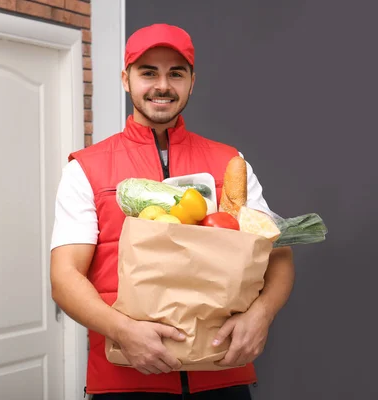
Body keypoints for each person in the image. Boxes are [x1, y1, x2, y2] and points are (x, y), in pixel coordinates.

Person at [50, 23, 295, 399]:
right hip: (126, 378)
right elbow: (65, 277)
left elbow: (278, 253)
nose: (162, 85)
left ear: (191, 82)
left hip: (221, 375)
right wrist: (122, 330)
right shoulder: (85, 168)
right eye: (148, 72)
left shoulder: (231, 162)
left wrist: (261, 316)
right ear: (126, 79)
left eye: (175, 73)